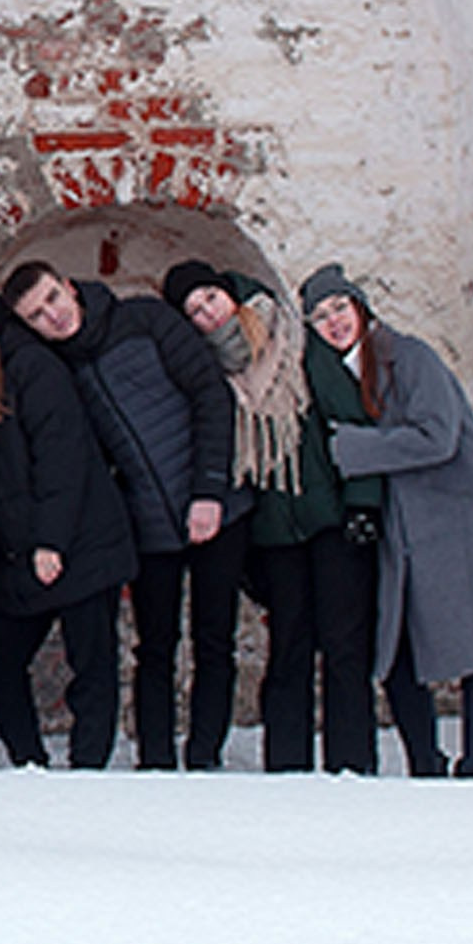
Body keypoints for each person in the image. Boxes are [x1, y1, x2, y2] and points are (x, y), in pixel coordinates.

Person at [301, 263, 473, 778]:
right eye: (321, 317)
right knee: (400, 654)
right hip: (411, 527)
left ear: (360, 307)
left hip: (463, 515)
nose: (334, 323)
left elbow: (438, 436)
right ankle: (427, 767)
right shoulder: (339, 376)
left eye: (339, 309)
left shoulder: (409, 357)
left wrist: (353, 448)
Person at [5, 258, 242, 771]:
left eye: (52, 299)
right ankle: (154, 762)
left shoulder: (144, 320)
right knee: (154, 646)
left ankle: (205, 758)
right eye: (36, 316)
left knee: (214, 639)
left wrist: (210, 490)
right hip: (148, 524)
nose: (53, 316)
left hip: (213, 505)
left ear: (69, 286)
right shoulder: (59, 367)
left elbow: (209, 394)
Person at [165, 259, 376, 775]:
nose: (207, 315)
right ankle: (287, 768)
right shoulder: (216, 375)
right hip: (274, 532)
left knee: (344, 644)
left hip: (331, 518)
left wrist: (363, 502)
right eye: (193, 312)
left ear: (229, 292)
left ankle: (353, 765)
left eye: (209, 299)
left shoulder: (295, 344)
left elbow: (349, 420)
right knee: (289, 646)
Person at [0, 287, 138, 770]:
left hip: (79, 540)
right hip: (27, 550)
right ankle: (29, 762)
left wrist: (50, 541)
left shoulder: (32, 367)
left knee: (92, 665)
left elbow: (62, 458)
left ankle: (87, 769)